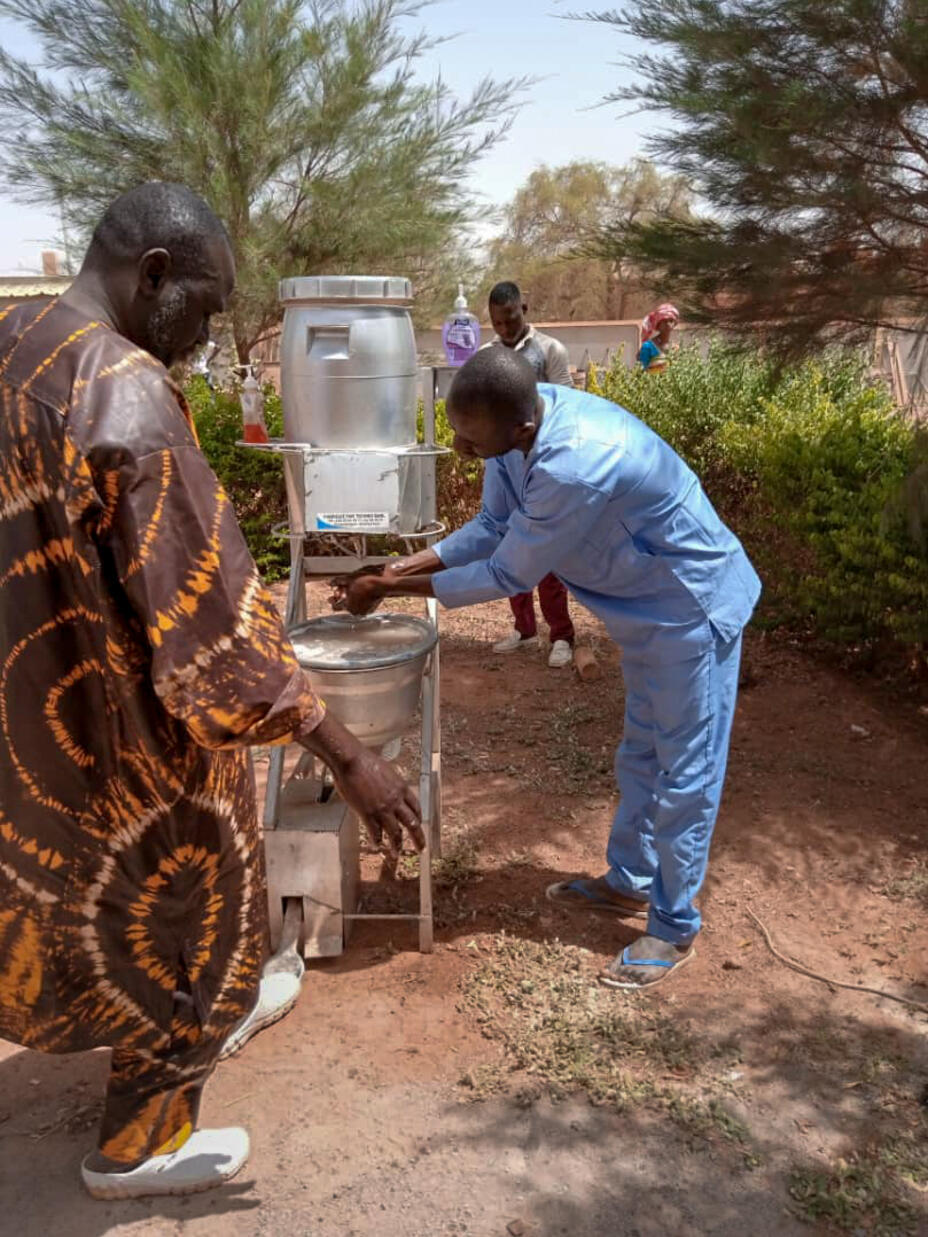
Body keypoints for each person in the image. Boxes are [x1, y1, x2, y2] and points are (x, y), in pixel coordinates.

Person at [0, 182, 422, 1200]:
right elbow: (208, 628)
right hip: (127, 738)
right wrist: (345, 749)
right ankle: (141, 1145)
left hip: (27, 713)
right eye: (204, 304)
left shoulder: (16, 338)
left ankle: (193, 1020)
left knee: (52, 889)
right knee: (179, 909)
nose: (205, 333)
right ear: (151, 276)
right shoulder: (127, 392)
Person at [333, 348, 761, 992]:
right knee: (641, 753)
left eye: (470, 439)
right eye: (456, 430)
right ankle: (630, 882)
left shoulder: (576, 464)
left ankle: (674, 926)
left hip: (687, 611)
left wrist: (389, 591)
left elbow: (510, 570)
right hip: (642, 612)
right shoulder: (514, 434)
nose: (460, 448)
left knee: (685, 772)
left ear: (521, 429)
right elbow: (490, 527)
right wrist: (393, 571)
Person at [484, 280, 575, 668]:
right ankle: (524, 629)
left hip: (541, 463)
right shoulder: (486, 355)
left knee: (545, 547)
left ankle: (562, 635)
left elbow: (568, 404)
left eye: (510, 319)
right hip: (500, 462)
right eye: (497, 323)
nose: (504, 329)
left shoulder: (549, 350)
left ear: (526, 307)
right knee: (508, 543)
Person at [638, 302, 679, 372]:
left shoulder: (675, 348)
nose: (668, 324)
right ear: (658, 324)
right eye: (665, 321)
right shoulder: (648, 346)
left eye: (671, 321)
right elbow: (642, 370)